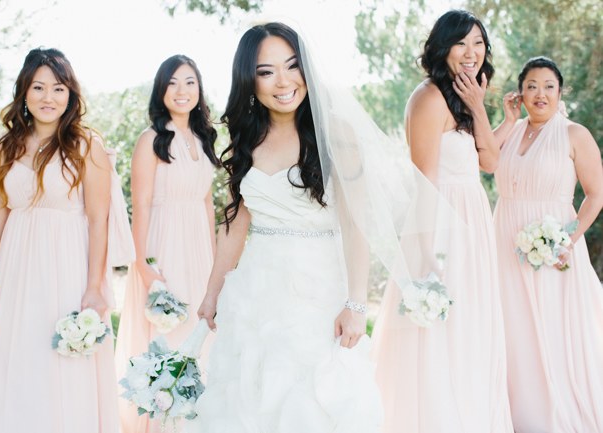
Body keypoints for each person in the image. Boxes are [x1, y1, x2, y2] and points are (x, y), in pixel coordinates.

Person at [188, 22, 384, 432]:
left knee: (313, 401)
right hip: (256, 291)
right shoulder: (247, 137)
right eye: (266, 71)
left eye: (292, 66)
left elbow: (355, 224)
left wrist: (357, 303)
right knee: (249, 398)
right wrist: (212, 293)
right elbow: (234, 225)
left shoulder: (336, 134)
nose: (284, 81)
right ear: (250, 80)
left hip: (318, 292)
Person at [0, 47, 133, 433]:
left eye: (58, 88)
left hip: (68, 265)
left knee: (63, 360)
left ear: (71, 94)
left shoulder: (87, 146)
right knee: (20, 354)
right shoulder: (3, 147)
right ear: (24, 92)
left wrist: (93, 286)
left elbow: (98, 220)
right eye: (38, 87)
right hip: (20, 268)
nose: (48, 98)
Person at [370, 10, 514, 432]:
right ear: (442, 47)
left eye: (479, 44)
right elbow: (425, 180)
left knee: (472, 327)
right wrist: (424, 252)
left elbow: (490, 162)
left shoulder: (465, 97)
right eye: (462, 44)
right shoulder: (429, 98)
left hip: (473, 224)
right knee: (439, 332)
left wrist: (478, 107)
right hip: (443, 227)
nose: (472, 53)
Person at [493, 56, 603, 432]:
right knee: (513, 329)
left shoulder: (574, 134)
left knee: (553, 329)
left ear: (561, 91)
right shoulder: (511, 130)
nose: (540, 94)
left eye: (548, 86)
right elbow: (484, 162)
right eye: (531, 86)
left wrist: (565, 242)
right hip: (504, 244)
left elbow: (595, 196)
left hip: (553, 252)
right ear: (519, 93)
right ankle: (514, 414)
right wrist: (507, 121)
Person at [114, 54, 219, 433]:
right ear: (161, 89)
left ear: (199, 90)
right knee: (166, 332)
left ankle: (195, 416)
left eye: (189, 82)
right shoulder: (151, 140)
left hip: (198, 249)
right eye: (173, 82)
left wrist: (214, 263)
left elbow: (207, 203)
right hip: (164, 245)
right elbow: (139, 204)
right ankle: (160, 420)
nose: (182, 90)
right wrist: (141, 263)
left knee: (199, 330)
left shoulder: (204, 138)